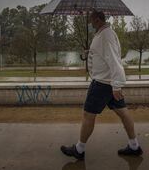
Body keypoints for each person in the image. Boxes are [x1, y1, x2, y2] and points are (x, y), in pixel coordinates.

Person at [61, 10, 143, 160]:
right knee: (123, 113)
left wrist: (117, 85)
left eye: (91, 20)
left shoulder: (106, 35)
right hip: (108, 82)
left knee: (87, 115)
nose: (90, 23)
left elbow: (114, 59)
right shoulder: (103, 34)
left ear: (98, 19)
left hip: (102, 84)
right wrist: (90, 52)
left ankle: (79, 150)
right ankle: (134, 146)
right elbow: (103, 55)